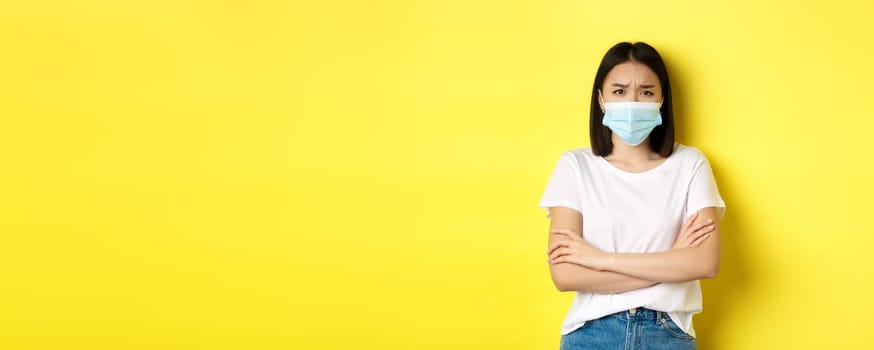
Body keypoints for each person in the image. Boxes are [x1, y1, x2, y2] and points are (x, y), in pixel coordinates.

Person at [538, 42, 726, 350]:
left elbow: (705, 263)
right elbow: (565, 274)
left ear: (662, 99)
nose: (633, 101)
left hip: (668, 333)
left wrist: (601, 260)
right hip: (590, 333)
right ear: (601, 98)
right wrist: (671, 263)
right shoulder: (575, 166)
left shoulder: (690, 164)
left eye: (647, 92)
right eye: (620, 91)